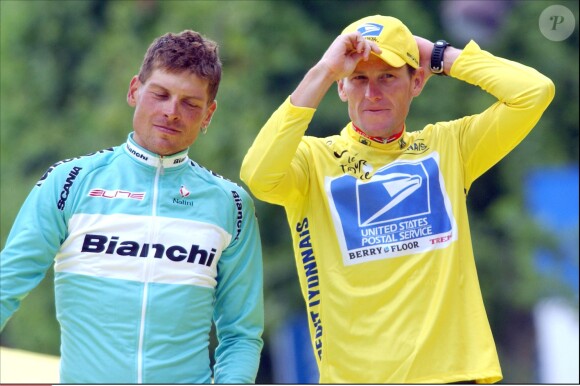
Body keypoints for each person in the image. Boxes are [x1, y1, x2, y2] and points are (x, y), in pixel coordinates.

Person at [240, 14, 554, 384]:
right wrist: (324, 70)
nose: (372, 93)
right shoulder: (312, 161)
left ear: (416, 81)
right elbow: (257, 175)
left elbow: (534, 92)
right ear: (341, 88)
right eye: (358, 78)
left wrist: (437, 55)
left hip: (454, 374)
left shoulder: (450, 146)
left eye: (387, 76)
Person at [0, 30, 264, 383]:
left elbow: (241, 334)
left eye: (190, 103)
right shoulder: (69, 181)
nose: (172, 112)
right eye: (160, 94)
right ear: (134, 91)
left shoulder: (231, 203)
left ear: (208, 114)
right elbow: (6, 286)